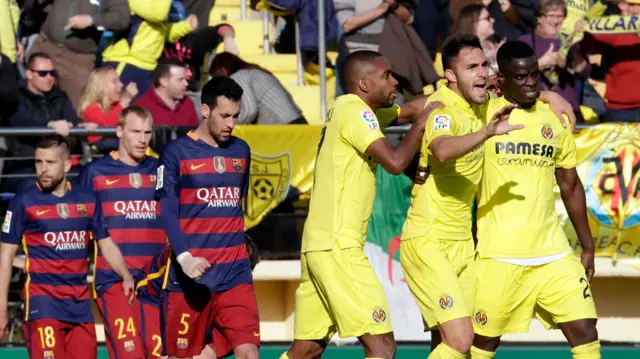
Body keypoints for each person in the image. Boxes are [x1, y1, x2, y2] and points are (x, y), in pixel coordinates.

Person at [279, 50, 443, 359]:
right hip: (339, 246)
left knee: (307, 350)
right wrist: (421, 126)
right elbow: (395, 163)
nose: (395, 80)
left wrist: (455, 94)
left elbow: (410, 109)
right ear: (364, 84)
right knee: (381, 346)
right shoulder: (356, 112)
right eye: (386, 76)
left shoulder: (351, 109)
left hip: (319, 245)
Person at [470, 40, 599, 359]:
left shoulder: (555, 119)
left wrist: (587, 245)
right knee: (483, 344)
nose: (530, 83)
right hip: (498, 255)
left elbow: (570, 185)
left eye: (534, 76)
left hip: (553, 253)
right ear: (501, 81)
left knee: (585, 332)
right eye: (520, 77)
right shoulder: (482, 112)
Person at [400, 34, 522, 359]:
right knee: (460, 339)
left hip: (462, 245)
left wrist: (555, 97)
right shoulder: (442, 107)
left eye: (484, 65)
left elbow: (527, 96)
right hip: (429, 241)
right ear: (451, 76)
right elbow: (441, 149)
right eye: (471, 67)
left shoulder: (481, 106)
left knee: (454, 345)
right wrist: (486, 133)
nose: (481, 73)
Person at [0, 135, 134, 359]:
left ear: (67, 164)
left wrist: (126, 275)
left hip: (80, 304)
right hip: (43, 303)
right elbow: (5, 256)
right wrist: (2, 309)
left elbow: (106, 243)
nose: (43, 169)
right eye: (38, 162)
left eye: (50, 163)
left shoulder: (87, 198)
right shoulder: (24, 200)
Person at [156, 76, 259, 359]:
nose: (231, 124)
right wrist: (185, 258)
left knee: (249, 351)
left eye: (235, 116)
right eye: (224, 115)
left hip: (235, 274)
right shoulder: (175, 153)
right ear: (205, 110)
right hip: (190, 278)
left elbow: (236, 204)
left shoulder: (241, 151)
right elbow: (167, 212)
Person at [77, 106, 165, 359]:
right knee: (130, 354)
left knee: (159, 354)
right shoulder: (94, 173)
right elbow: (79, 228)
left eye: (147, 132)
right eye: (136, 131)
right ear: (119, 131)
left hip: (155, 281)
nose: (142, 139)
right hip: (114, 280)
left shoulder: (161, 171)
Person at [519, 0, 590, 123]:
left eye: (560, 16)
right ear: (539, 18)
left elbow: (583, 72)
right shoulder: (525, 41)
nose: (556, 21)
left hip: (568, 111)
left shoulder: (570, 41)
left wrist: (571, 46)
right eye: (551, 16)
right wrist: (541, 63)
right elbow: (517, 75)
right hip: (536, 112)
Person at [209, 52, 307, 125]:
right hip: (296, 122)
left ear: (223, 70)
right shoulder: (255, 72)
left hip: (285, 126)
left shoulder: (239, 77)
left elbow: (249, 111)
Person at [78, 66, 139, 152]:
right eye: (115, 81)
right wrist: (126, 99)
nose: (121, 84)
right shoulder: (91, 109)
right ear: (101, 87)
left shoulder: (119, 106)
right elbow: (107, 125)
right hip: (100, 155)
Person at [134, 58, 199, 128]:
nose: (186, 84)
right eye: (180, 80)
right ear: (163, 81)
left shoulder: (187, 103)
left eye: (186, 79)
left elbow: (195, 136)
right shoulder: (142, 106)